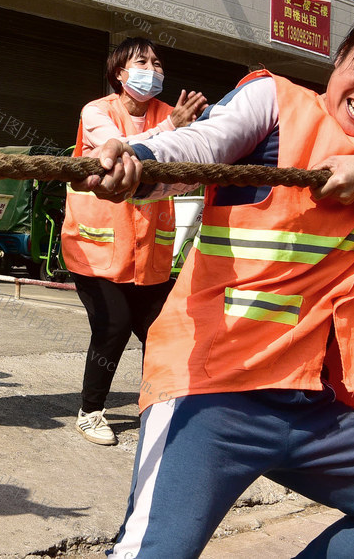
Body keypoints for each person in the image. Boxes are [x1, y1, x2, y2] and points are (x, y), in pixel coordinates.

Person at [75, 0, 354, 558]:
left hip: (310, 407)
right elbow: (199, 144)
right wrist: (139, 160)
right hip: (210, 393)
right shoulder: (276, 102)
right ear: (340, 56)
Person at [61, 37, 207, 446]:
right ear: (119, 74)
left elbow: (187, 162)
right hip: (96, 248)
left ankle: (157, 407)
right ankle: (90, 412)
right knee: (113, 326)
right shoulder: (97, 111)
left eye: (158, 63)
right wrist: (173, 128)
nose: (153, 69)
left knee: (163, 330)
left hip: (149, 251)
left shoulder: (169, 113)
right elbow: (120, 148)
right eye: (142, 62)